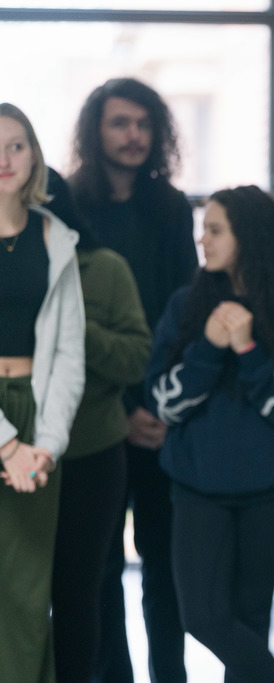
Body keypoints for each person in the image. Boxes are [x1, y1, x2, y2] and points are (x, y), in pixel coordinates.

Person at [145, 185, 274, 681]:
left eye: (214, 229)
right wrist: (208, 348)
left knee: (251, 621)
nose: (201, 240)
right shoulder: (188, 304)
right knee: (202, 617)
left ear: (248, 236)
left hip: (272, 489)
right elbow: (163, 403)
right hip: (196, 487)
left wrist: (248, 350)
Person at [68, 76, 197, 683]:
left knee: (164, 562)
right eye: (120, 123)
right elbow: (67, 323)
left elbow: (185, 313)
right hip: (92, 413)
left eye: (144, 124)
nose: (134, 135)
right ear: (97, 131)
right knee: (95, 570)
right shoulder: (68, 204)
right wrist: (120, 407)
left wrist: (162, 408)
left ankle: (169, 674)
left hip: (161, 414)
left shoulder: (171, 207)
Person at [47, 167, 152, 683]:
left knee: (80, 596)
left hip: (92, 455)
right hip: (12, 452)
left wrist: (77, 325)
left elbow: (136, 359)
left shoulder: (106, 269)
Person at [0, 103, 86, 682]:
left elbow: (69, 353)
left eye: (16, 145)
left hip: (35, 411)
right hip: (8, 433)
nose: (4, 159)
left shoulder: (57, 239)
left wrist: (44, 444)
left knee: (28, 594)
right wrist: (6, 445)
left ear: (34, 157)